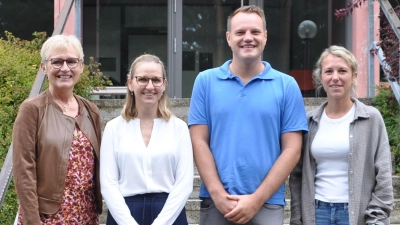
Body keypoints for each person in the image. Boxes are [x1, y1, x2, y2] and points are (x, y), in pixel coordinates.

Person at [188, 5, 308, 225]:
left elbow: (292, 149)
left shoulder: (287, 85)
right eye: (240, 32)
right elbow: (198, 141)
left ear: (265, 36)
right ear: (228, 37)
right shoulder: (205, 82)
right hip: (216, 204)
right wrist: (217, 194)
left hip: (267, 203)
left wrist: (257, 199)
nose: (248, 38)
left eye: (255, 32)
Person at [289, 45, 394, 225]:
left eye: (342, 71)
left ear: (353, 76)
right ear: (320, 77)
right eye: (328, 71)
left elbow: (383, 173)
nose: (335, 77)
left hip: (357, 216)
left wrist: (377, 218)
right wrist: (297, 218)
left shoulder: (371, 118)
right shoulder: (309, 121)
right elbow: (297, 175)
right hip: (316, 214)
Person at [12, 34, 102, 224]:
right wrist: (31, 220)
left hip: (86, 215)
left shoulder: (90, 110)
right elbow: (24, 171)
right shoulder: (32, 109)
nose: (65, 68)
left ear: (81, 67)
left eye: (71, 61)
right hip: (47, 217)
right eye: (57, 62)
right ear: (44, 67)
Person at [100, 54, 193, 225]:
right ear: (130, 83)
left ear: (164, 84)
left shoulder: (179, 128)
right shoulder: (114, 128)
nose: (150, 86)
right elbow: (108, 183)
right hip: (125, 213)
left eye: (156, 80)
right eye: (142, 79)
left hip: (169, 213)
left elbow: (184, 183)